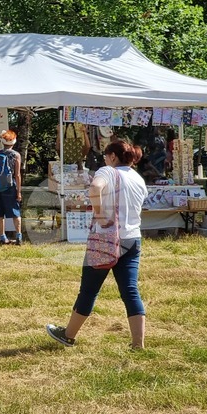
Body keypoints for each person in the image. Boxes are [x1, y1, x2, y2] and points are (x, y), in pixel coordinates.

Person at [46, 140, 148, 350]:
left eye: (105, 156)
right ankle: (138, 344)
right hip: (132, 238)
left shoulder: (108, 171)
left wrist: (101, 215)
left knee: (89, 290)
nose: (104, 159)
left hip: (105, 239)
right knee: (130, 291)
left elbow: (94, 187)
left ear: (113, 156)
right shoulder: (138, 179)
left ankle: (68, 335)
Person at [0, 130, 23, 245]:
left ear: (2, 142)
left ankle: (2, 237)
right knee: (15, 212)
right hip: (10, 186)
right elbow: (17, 175)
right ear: (14, 142)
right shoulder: (16, 155)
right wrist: (19, 192)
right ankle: (19, 236)